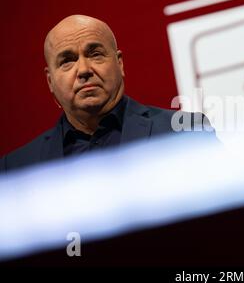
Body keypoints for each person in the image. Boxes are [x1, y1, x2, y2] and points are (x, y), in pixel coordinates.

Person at [0, 15, 215, 173]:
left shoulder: (186, 132)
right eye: (67, 61)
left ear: (119, 63)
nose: (83, 70)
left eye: (95, 54)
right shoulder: (15, 168)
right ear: (50, 81)